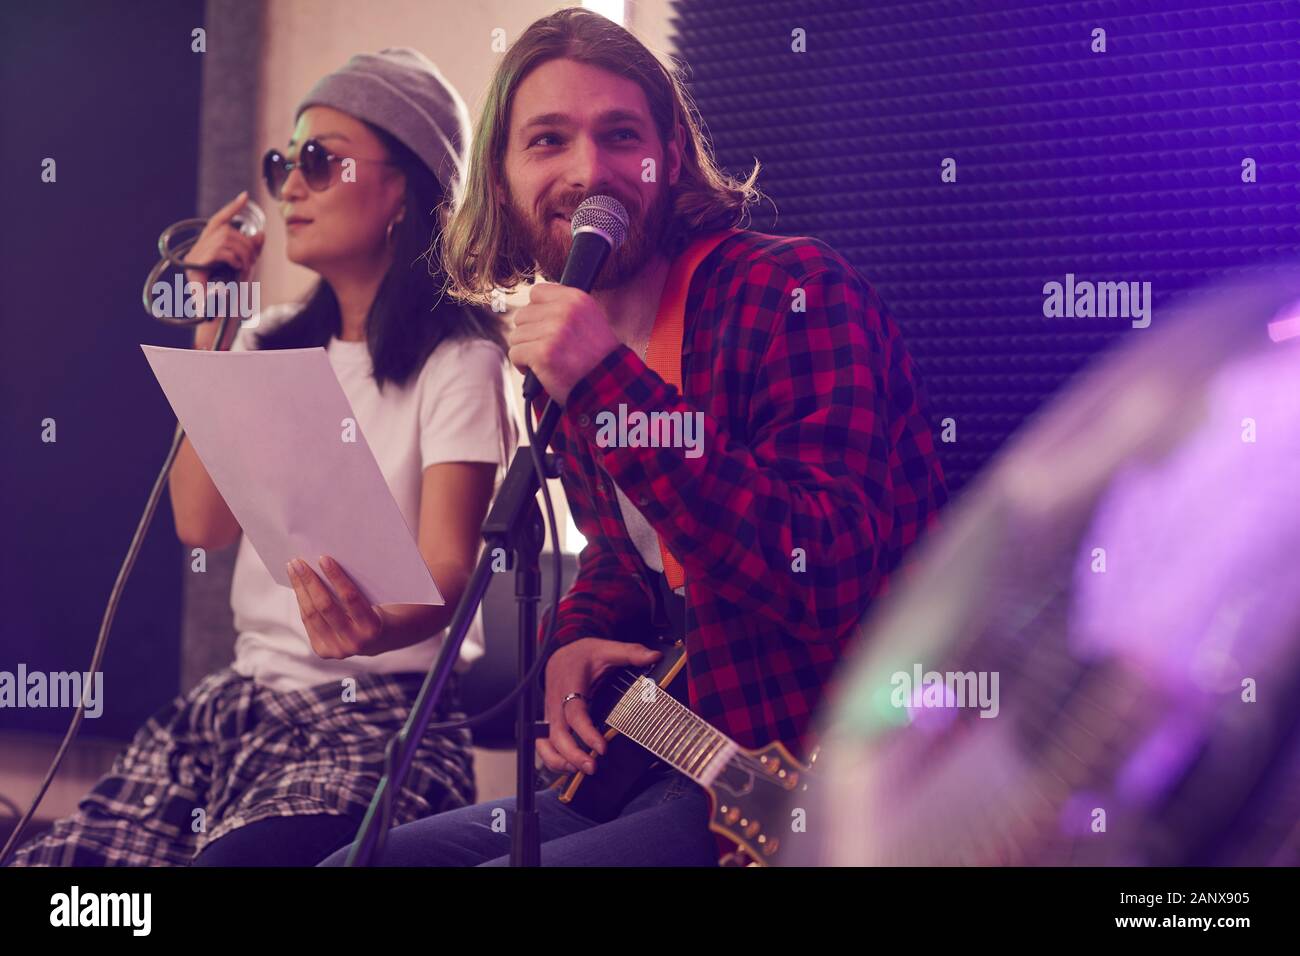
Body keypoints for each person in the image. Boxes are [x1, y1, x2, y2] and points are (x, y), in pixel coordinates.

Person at [319, 9, 947, 867]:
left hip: (809, 785)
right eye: (547, 141)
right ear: (500, 180)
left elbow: (825, 570)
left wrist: (607, 382)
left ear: (672, 157)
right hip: (669, 758)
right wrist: (576, 636)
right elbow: (629, 553)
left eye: (621, 135)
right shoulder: (561, 354)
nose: (590, 171)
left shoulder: (793, 294)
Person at [8, 49, 519, 867]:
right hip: (238, 706)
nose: (290, 186)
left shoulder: (462, 359)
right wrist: (212, 321)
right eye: (285, 162)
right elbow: (200, 524)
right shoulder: (263, 339)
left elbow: (451, 571)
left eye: (320, 161)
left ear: (404, 188)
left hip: (381, 715)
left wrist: (375, 625)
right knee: (62, 872)